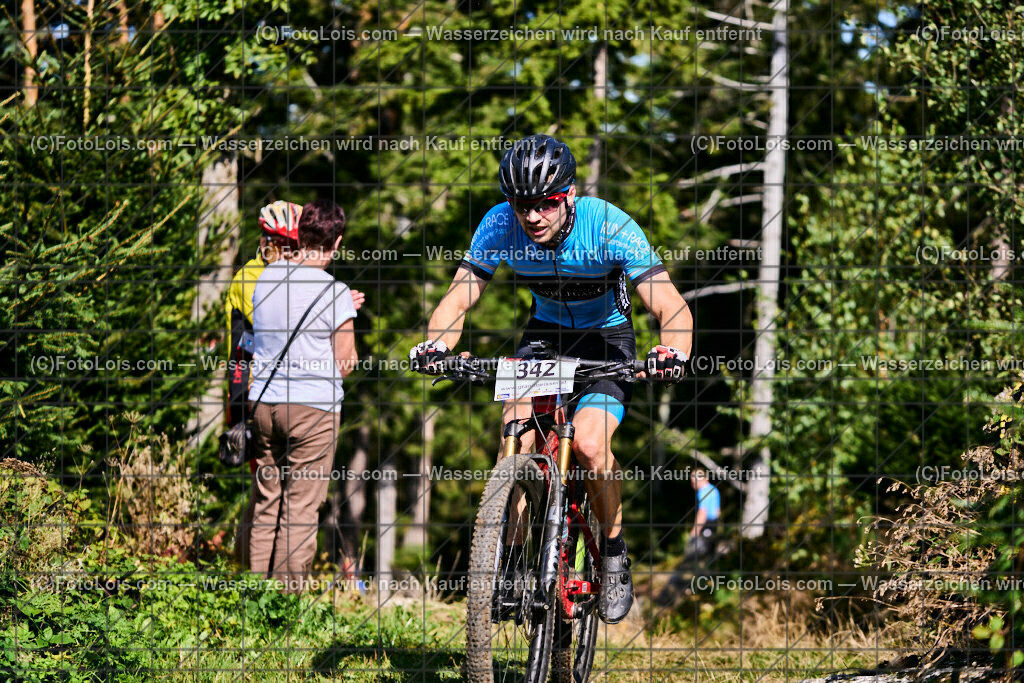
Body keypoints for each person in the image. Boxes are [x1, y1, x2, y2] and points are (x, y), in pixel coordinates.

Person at [409, 134, 694, 624]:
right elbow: (459, 296)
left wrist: (674, 351)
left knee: (587, 445)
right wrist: (437, 345)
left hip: (607, 342)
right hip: (545, 338)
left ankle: (612, 549)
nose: (533, 216)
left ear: (569, 196)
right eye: (523, 205)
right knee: (515, 437)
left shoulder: (608, 224)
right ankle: (513, 566)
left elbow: (671, 304)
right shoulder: (499, 223)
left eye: (546, 204)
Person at [227, 201, 363, 567]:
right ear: (336, 244)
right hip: (312, 410)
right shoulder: (335, 292)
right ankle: (283, 608)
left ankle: (254, 592)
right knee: (301, 506)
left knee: (266, 499)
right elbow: (346, 363)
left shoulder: (265, 279)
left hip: (265, 405)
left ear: (299, 236)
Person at [688, 467, 720, 559]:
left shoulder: (703, 492)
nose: (692, 485)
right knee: (710, 553)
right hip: (714, 524)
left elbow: (702, 512)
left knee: (698, 554)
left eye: (694, 482)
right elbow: (718, 511)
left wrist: (695, 531)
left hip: (706, 525)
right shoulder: (714, 490)